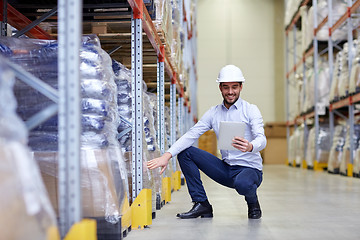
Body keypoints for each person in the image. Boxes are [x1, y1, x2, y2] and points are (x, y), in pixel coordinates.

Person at [147, 64, 266, 219]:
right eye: (226, 87)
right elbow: (191, 134)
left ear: (241, 87)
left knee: (243, 184)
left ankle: (253, 203)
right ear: (220, 88)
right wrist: (167, 155)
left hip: (250, 170)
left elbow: (262, 139)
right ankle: (202, 204)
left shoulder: (251, 110)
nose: (230, 92)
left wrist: (251, 146)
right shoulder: (214, 113)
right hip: (227, 169)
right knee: (186, 153)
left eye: (234, 87)